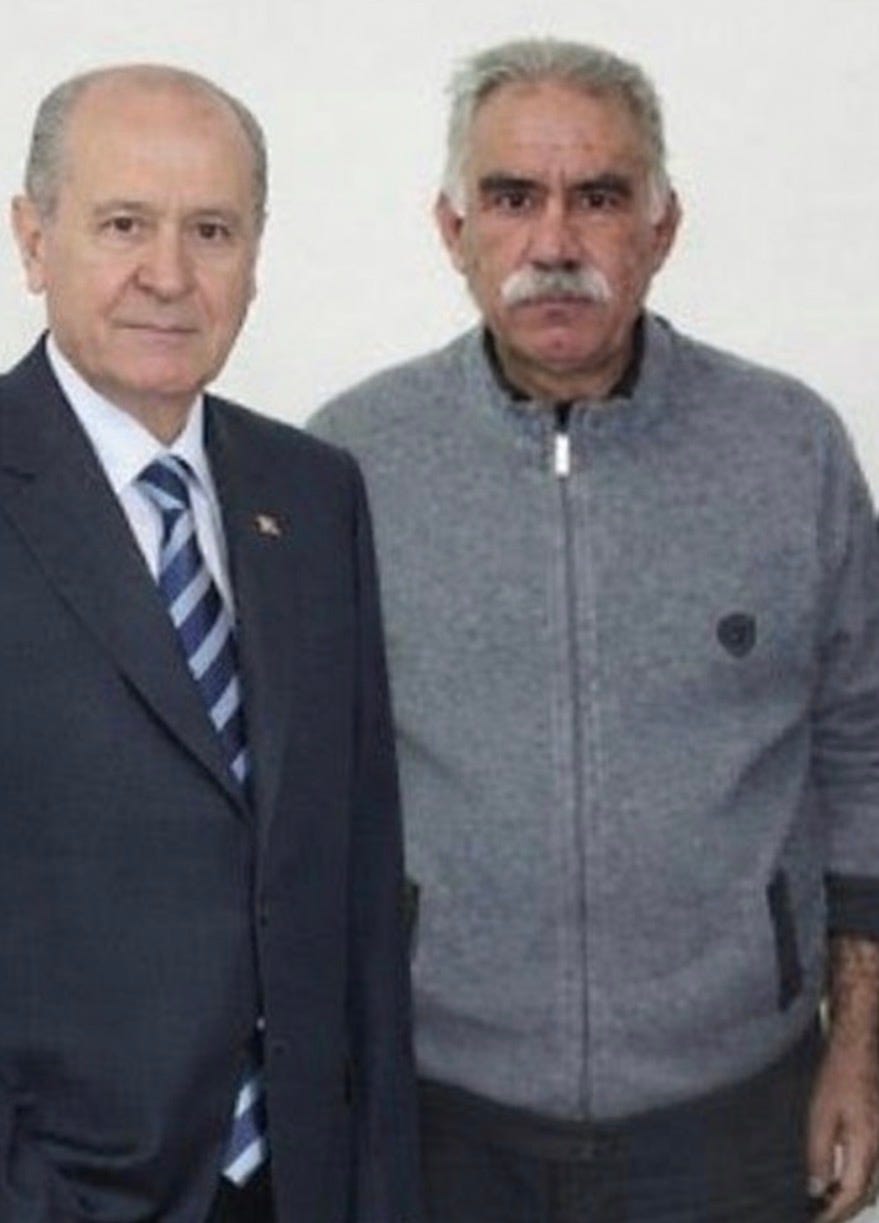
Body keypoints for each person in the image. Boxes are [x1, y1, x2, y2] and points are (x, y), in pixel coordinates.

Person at [309, 37, 879, 1223]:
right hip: (442, 1112)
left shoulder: (791, 449)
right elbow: (302, 792)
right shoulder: (351, 461)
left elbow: (861, 754)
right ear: (453, 228)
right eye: (513, 197)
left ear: (662, 228)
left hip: (731, 1117)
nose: (556, 242)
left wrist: (861, 1052)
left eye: (601, 198)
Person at [0, 64, 421, 1222]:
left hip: (299, 1182)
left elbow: (360, 886)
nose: (170, 275)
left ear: (255, 256)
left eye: (213, 230)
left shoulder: (314, 492)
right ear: (33, 239)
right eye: (124, 224)